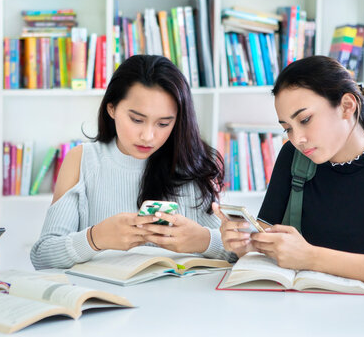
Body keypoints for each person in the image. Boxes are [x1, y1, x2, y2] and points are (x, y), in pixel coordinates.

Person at [214, 55, 364, 289]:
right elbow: (270, 251)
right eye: (287, 129)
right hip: (301, 318)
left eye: (305, 119)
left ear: (347, 106)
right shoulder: (292, 158)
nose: (298, 139)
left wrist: (312, 257)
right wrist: (247, 246)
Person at [31, 55, 233, 269]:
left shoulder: (191, 164)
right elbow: (42, 257)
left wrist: (204, 241)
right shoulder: (82, 160)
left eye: (163, 123)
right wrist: (94, 238)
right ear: (112, 109)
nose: (148, 136)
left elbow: (238, 253)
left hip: (178, 298)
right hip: (104, 297)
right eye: (137, 120)